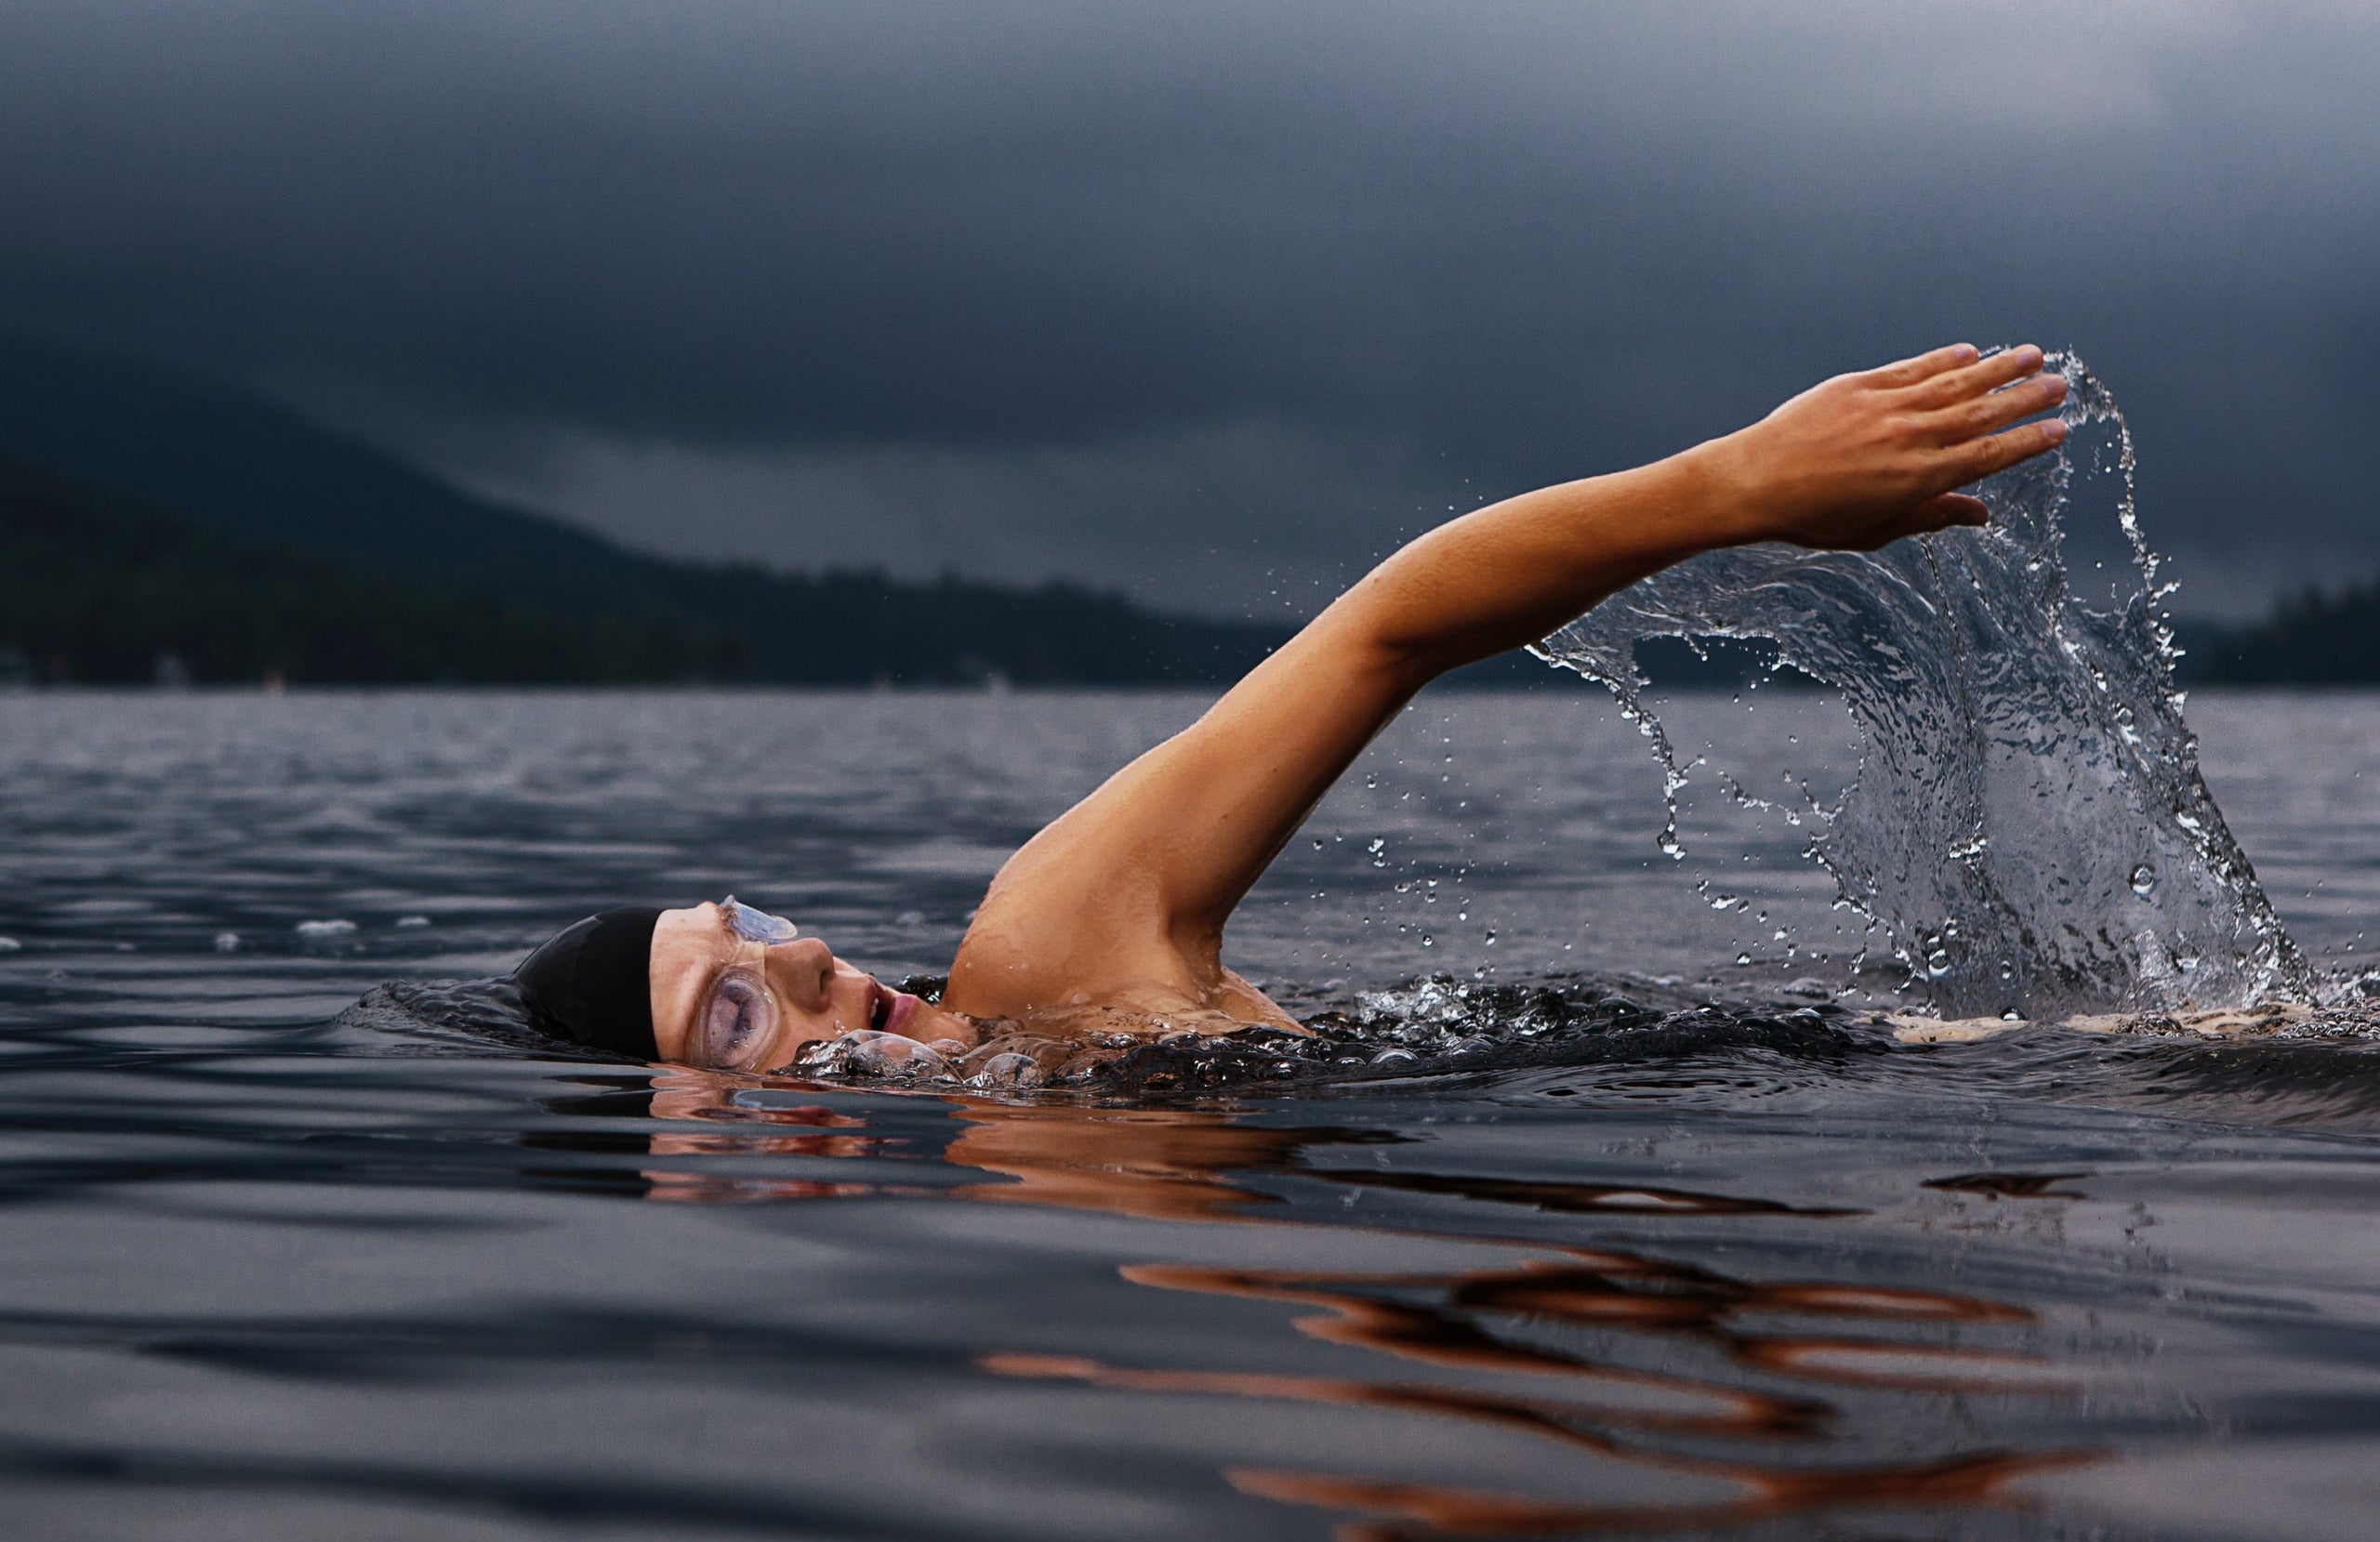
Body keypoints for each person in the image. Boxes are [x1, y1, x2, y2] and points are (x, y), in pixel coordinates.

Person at [516, 343, 2069, 1072]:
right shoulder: (1030, 1242)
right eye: (731, 1008)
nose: (801, 955)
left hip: (1993, 1067)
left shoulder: (1047, 954)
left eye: (753, 924)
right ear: (689, 1155)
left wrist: (1734, 487)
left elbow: (1385, 629)